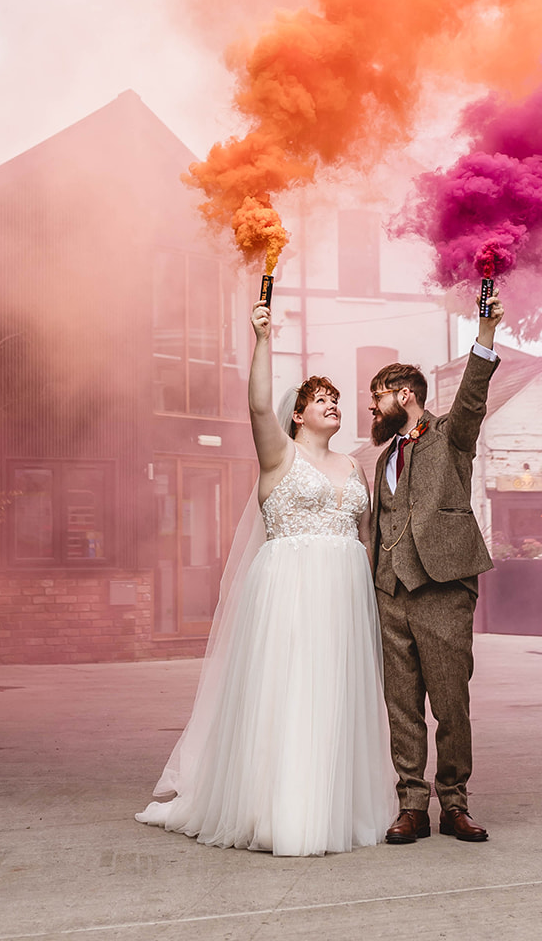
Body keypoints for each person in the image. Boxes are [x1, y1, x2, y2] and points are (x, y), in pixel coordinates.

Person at [136, 303, 395, 856]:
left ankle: (333, 805)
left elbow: (367, 533)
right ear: (298, 415)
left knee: (335, 693)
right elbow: (257, 404)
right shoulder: (280, 454)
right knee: (290, 689)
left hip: (345, 595)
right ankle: (277, 808)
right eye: (321, 400)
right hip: (291, 587)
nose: (333, 405)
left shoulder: (354, 467)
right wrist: (261, 339)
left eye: (337, 400)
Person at [369, 292, 504, 844]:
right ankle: (411, 806)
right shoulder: (381, 458)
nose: (372, 410)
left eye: (377, 399)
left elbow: (472, 396)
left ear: (406, 396)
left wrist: (486, 332)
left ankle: (454, 803)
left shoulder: (452, 436)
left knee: (451, 703)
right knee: (402, 705)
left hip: (444, 588)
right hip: (390, 592)